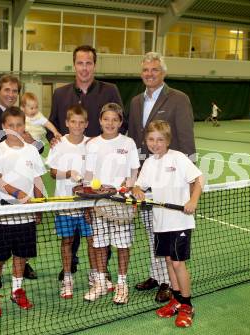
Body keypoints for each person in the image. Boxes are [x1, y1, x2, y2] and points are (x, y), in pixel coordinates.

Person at [49, 45, 124, 280]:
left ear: (94, 65)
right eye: (80, 63)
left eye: (88, 63)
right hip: (71, 174)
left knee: (98, 225)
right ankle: (69, 267)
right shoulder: (60, 94)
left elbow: (121, 123)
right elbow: (52, 125)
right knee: (71, 228)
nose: (84, 68)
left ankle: (101, 270)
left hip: (101, 172)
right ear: (74, 65)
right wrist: (53, 140)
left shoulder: (110, 90)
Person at [128, 52, 196, 303]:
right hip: (146, 178)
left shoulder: (178, 99)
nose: (150, 74)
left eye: (155, 70)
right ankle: (156, 276)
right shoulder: (136, 101)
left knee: (166, 232)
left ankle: (169, 284)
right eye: (145, 70)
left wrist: (189, 185)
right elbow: (135, 139)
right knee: (152, 230)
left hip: (171, 180)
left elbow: (187, 139)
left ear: (163, 73)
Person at [132, 120, 203, 327]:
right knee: (169, 262)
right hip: (160, 222)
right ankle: (176, 299)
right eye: (151, 139)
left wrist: (193, 200)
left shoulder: (178, 158)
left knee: (178, 263)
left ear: (168, 141)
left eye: (160, 140)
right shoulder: (149, 163)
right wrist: (137, 190)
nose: (155, 144)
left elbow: (198, 179)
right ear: (146, 141)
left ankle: (187, 305)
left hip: (180, 221)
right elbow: (139, 185)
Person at [0, 107, 46, 317]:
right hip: (3, 216)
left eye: (19, 125)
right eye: (10, 126)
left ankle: (17, 290)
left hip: (27, 215)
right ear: (4, 127)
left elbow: (38, 179)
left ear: (24, 126)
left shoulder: (31, 150)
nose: (15, 129)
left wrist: (39, 204)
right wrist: (18, 193)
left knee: (21, 255)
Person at [0, 74, 38, 281]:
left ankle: (22, 269)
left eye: (15, 91)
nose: (11, 94)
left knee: (22, 235)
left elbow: (34, 150)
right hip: (1, 193)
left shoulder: (22, 115)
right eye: (7, 90)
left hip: (23, 188)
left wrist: (31, 141)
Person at [84, 102, 140, 305]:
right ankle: (100, 282)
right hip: (99, 203)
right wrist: (90, 198)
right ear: (100, 121)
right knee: (100, 245)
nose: (110, 123)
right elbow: (88, 176)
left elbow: (134, 172)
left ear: (120, 122)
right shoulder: (92, 145)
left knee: (122, 246)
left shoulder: (129, 143)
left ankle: (122, 284)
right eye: (106, 119)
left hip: (121, 204)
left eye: (114, 119)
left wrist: (129, 185)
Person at [46, 105, 100, 299]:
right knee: (67, 241)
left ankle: (96, 276)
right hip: (65, 203)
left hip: (87, 203)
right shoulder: (58, 144)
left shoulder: (92, 144)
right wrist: (68, 174)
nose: (77, 126)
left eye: (81, 122)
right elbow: (52, 173)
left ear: (86, 124)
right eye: (73, 122)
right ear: (67, 123)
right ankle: (67, 278)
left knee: (92, 241)